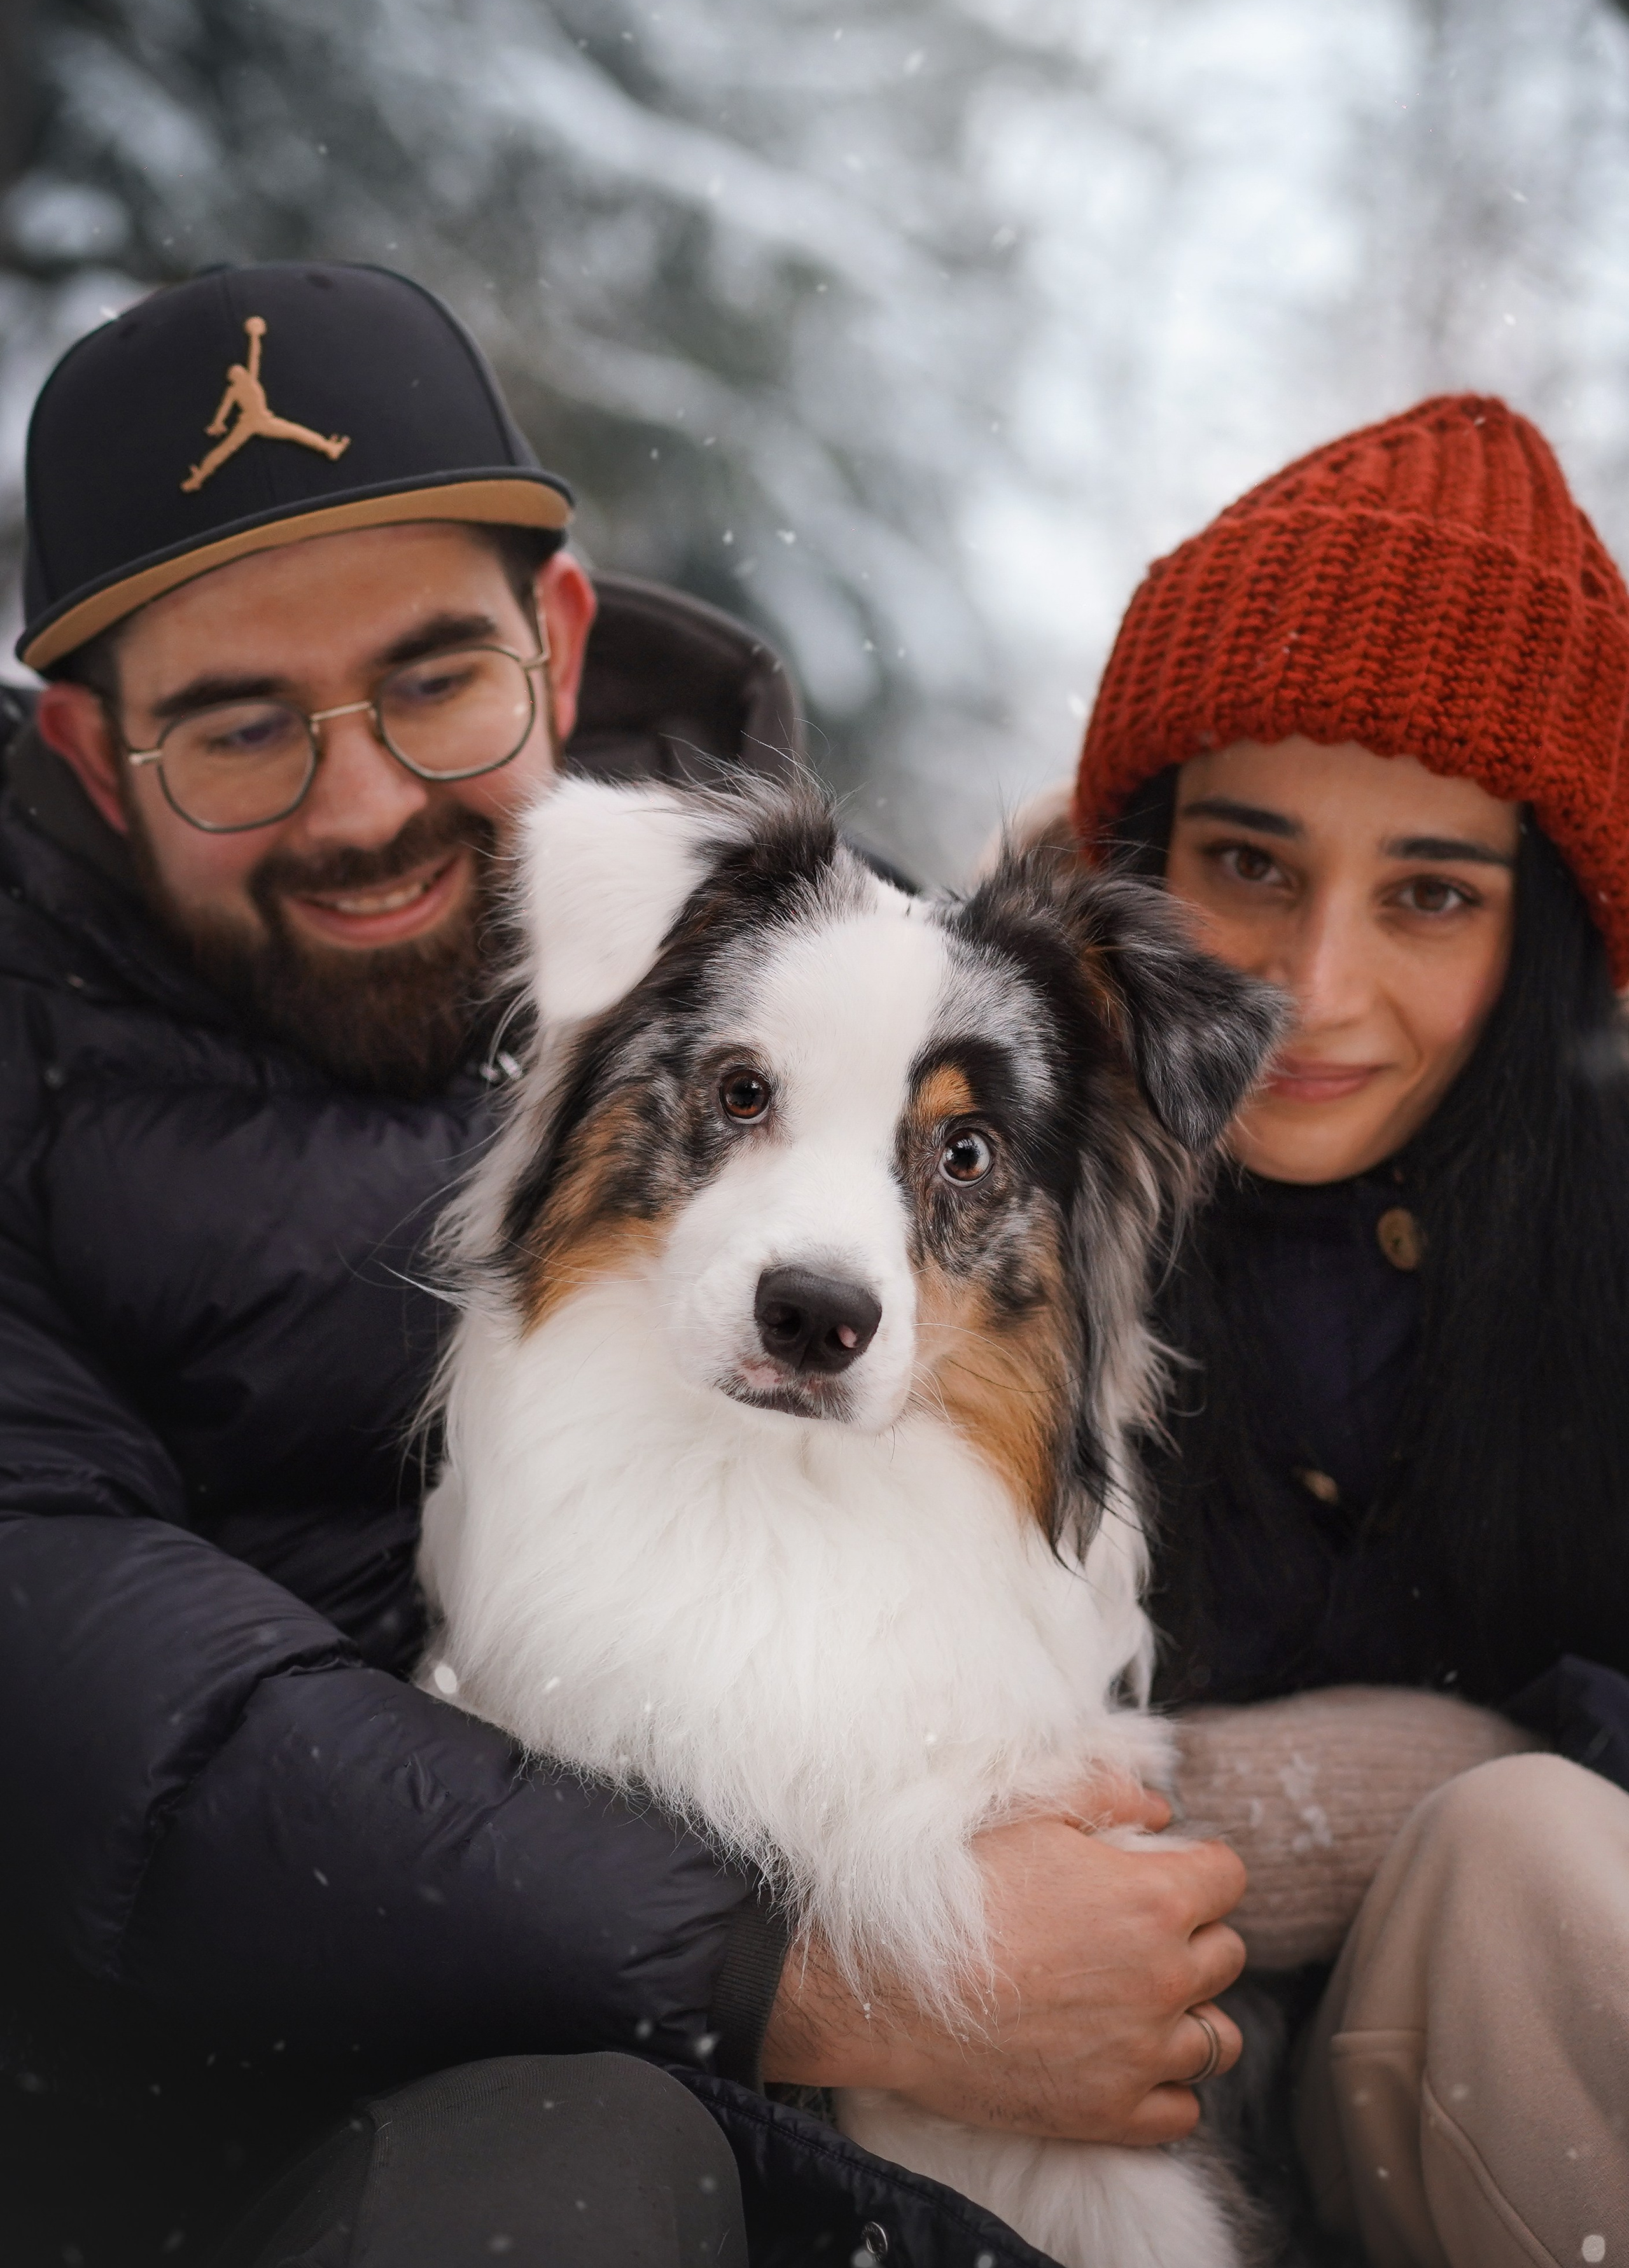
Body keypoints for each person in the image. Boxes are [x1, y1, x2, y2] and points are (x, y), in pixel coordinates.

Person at [0, 261, 1249, 2268]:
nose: (368, 802)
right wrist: (817, 1977)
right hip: (278, 2110)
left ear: (556, 639)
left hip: (773, 2002)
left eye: (433, 678)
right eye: (238, 731)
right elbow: (98, 1709)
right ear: (86, 753)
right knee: (578, 2168)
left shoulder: (798, 952)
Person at [1065, 392, 1629, 2267]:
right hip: (1044, 2069)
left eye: (1431, 894)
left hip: (1482, 2093)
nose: (1314, 988)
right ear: (1142, 856)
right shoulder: (960, 1168)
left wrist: (1439, 1774)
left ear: (1541, 929)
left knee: (1532, 1853)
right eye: (1250, 864)